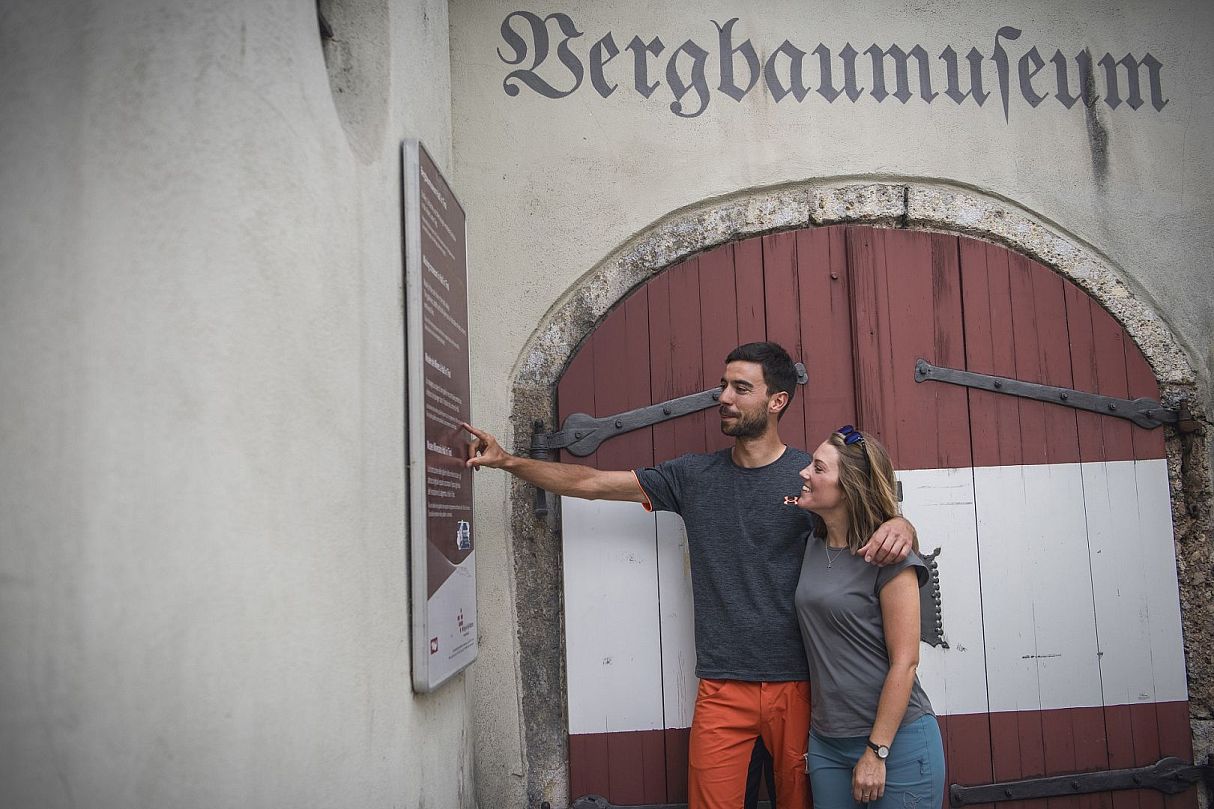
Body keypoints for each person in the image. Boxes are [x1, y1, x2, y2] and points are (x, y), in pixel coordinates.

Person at [462, 342, 917, 809]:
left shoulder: (809, 483)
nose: (724, 398)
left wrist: (904, 525)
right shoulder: (693, 476)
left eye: (741, 388)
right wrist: (508, 461)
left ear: (776, 400)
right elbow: (592, 483)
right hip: (722, 686)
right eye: (723, 386)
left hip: (800, 687)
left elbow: (869, 521)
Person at [791, 426, 945, 809]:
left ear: (849, 488)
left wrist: (877, 751)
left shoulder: (891, 557)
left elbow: (905, 662)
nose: (804, 474)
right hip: (827, 743)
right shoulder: (813, 543)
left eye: (818, 469)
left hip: (896, 743)